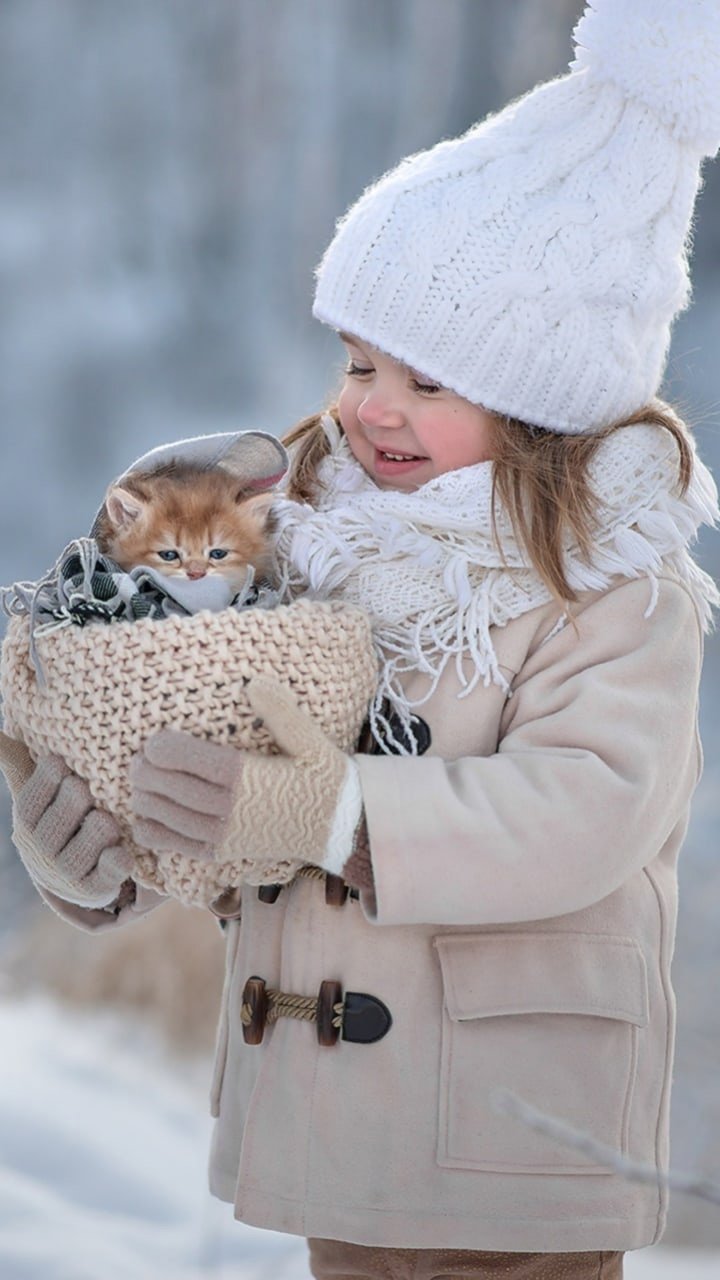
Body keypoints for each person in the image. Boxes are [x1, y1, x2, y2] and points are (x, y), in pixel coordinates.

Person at [2, 1, 720, 1276]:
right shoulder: (315, 550)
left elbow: (585, 807)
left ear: (542, 400)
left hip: (512, 1141)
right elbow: (231, 805)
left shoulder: (619, 584)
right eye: (358, 361)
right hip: (342, 1134)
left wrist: (335, 812)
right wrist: (102, 844)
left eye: (428, 381)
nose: (372, 408)